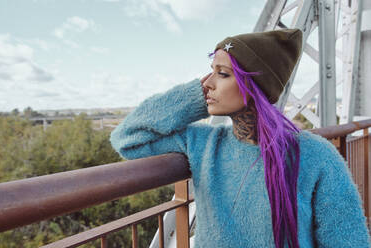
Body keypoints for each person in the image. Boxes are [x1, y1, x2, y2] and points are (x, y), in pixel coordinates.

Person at [110, 28, 371, 248]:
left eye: (222, 73)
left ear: (255, 85)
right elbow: (128, 138)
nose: (207, 83)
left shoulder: (316, 155)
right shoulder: (203, 144)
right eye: (210, 72)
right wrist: (194, 98)